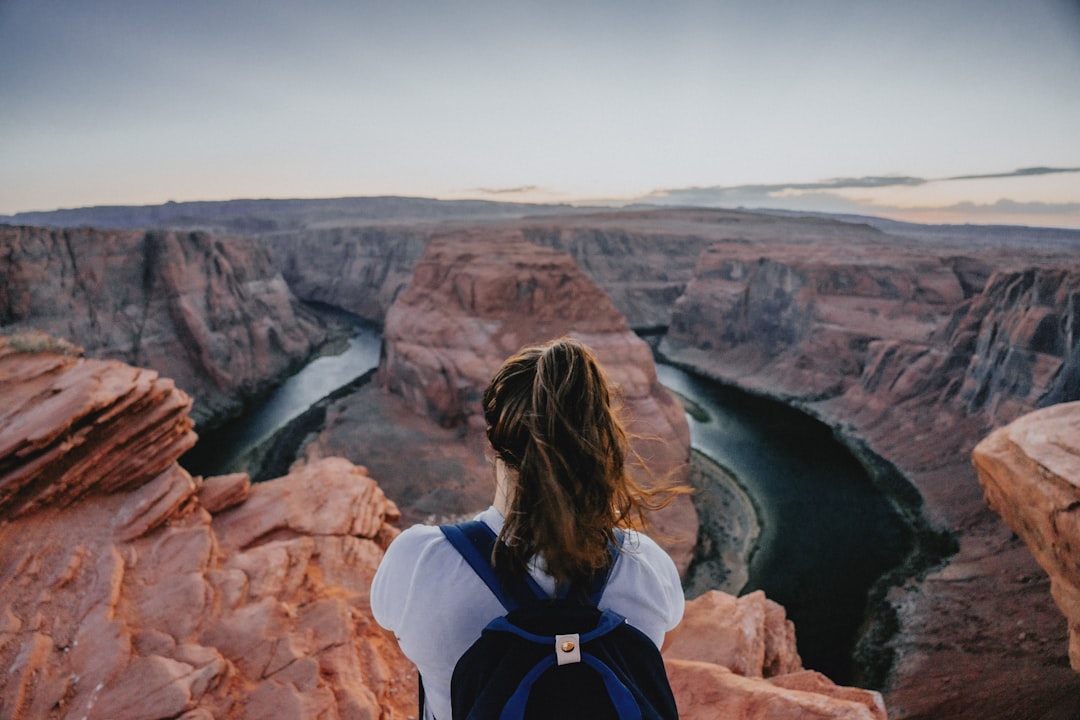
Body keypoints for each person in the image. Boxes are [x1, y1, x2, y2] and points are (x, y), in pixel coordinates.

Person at [370, 337, 686, 720]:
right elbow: (656, 646)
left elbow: (396, 637)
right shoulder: (647, 567)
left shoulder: (417, 562)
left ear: (492, 440)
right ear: (597, 443)